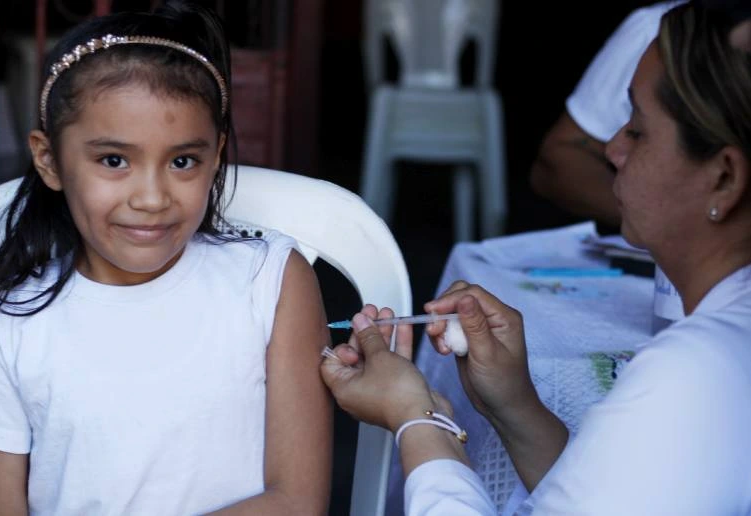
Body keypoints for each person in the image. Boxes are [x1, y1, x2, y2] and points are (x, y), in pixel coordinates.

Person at [322, 2, 751, 513]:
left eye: (637, 128)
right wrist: (514, 404)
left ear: (723, 177)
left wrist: (416, 416)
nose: (613, 148)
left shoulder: (691, 375)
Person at [0, 2, 333, 514]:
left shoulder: (270, 281)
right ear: (49, 159)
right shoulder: (6, 326)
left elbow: (297, 501)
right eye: (114, 161)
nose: (151, 197)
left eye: (183, 161)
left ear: (216, 153)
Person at [529, 1, 681, 230]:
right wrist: (665, 227)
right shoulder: (659, 30)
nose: (614, 149)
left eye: (639, 131)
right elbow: (558, 161)